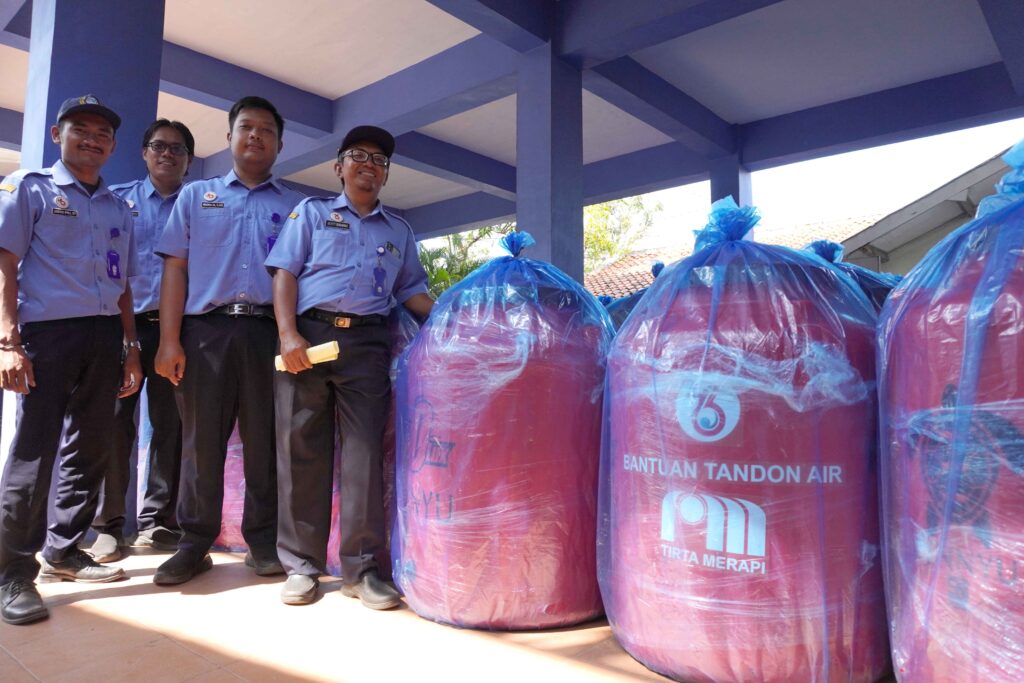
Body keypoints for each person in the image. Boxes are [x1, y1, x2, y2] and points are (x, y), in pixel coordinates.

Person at [267, 125, 433, 608]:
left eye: (379, 159)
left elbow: (411, 292)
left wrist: (454, 315)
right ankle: (301, 567)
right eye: (358, 155)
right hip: (308, 339)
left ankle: (361, 570)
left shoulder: (398, 230)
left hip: (366, 344)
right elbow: (285, 273)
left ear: (386, 174)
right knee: (302, 452)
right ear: (339, 167)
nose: (369, 164)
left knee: (362, 455)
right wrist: (287, 334)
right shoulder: (312, 214)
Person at [0, 95, 141, 625]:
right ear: (58, 134)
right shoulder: (28, 188)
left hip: (105, 338)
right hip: (46, 337)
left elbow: (123, 285)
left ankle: (63, 549)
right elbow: (5, 266)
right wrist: (7, 343)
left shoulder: (118, 207)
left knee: (92, 446)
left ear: (112, 144)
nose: (92, 138)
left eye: (103, 132)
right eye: (80, 128)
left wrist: (130, 351)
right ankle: (14, 572)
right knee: (35, 452)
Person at [153, 96, 303, 586]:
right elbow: (175, 269)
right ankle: (194, 542)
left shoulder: (296, 208)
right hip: (205, 333)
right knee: (200, 442)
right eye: (246, 127)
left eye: (266, 130)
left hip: (267, 333)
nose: (255, 136)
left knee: (264, 439)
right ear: (229, 137)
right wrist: (169, 341)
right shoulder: (196, 197)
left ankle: (262, 541)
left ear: (279, 144)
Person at [88, 120, 195, 563]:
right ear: (144, 152)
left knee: (170, 426)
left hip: (178, 333)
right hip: (122, 329)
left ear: (188, 158)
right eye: (158, 146)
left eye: (177, 148)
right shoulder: (119, 201)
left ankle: (158, 522)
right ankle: (109, 525)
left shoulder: (199, 204)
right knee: (114, 423)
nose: (167, 154)